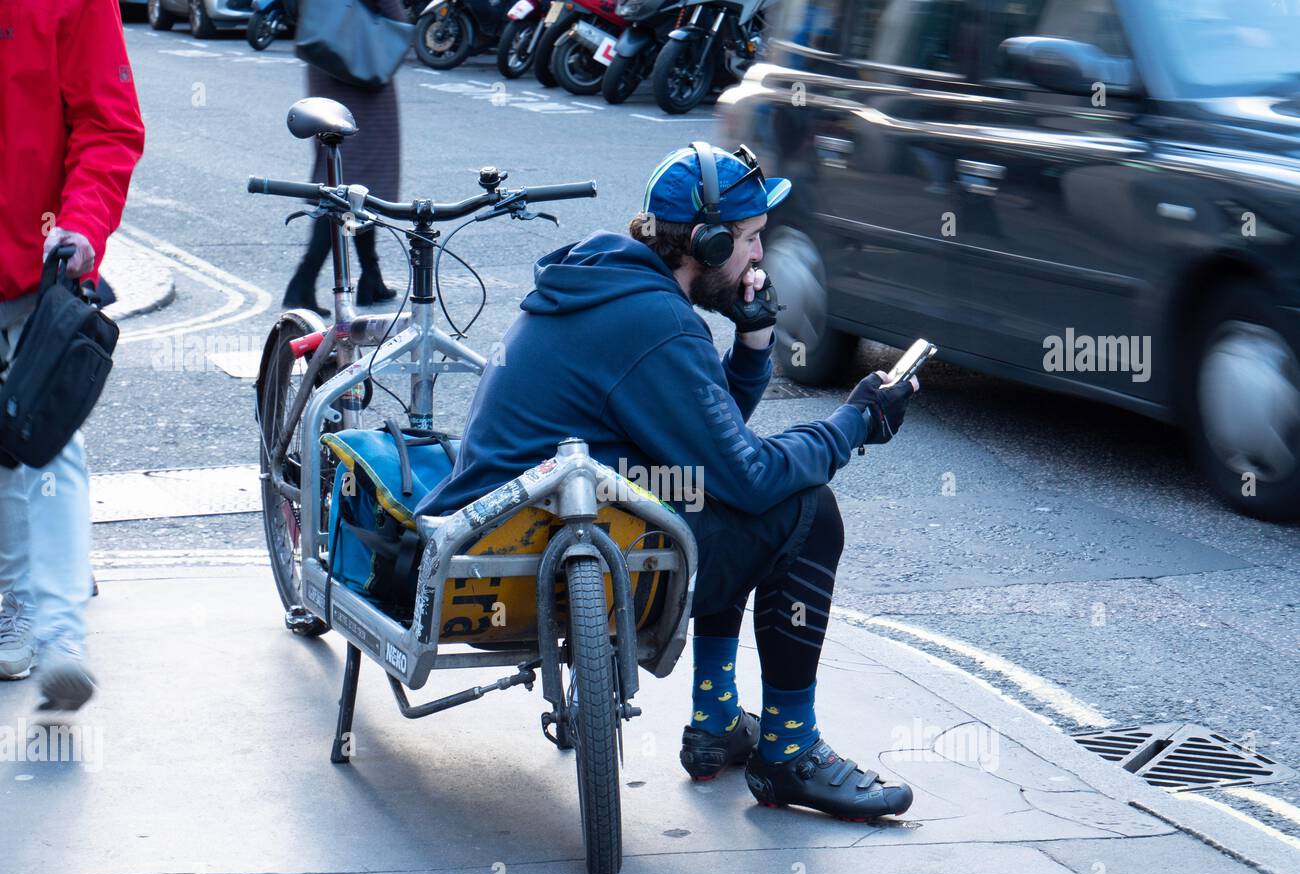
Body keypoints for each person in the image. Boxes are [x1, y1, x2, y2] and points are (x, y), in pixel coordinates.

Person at [416, 143, 921, 820]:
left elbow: (702, 448)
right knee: (806, 511)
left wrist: (753, 342)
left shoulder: (610, 284)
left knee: (721, 497)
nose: (757, 261)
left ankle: (716, 722)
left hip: (511, 543)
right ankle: (789, 753)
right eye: (747, 241)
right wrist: (853, 425)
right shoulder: (654, 322)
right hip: (551, 562)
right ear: (706, 245)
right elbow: (744, 474)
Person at [0, 0, 145, 709]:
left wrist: (83, 226)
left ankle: (59, 632)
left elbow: (108, 122)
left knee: (46, 442)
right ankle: (22, 601)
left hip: (37, 267)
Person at [282, 0, 407, 315]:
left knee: (353, 179)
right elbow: (397, 18)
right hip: (361, 66)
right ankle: (303, 283)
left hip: (327, 58)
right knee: (349, 184)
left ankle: (371, 277)